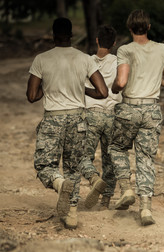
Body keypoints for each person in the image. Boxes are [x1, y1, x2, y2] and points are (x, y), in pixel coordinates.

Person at [27, 17, 108, 229]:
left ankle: (58, 183)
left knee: (44, 165)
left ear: (53, 35)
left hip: (54, 118)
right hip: (78, 119)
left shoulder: (41, 59)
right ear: (71, 35)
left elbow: (31, 95)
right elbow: (102, 92)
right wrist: (81, 89)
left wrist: (50, 86)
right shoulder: (84, 59)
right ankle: (72, 214)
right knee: (73, 166)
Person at [110, 9, 164, 226]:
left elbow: (121, 81)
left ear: (129, 28)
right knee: (146, 157)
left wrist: (114, 86)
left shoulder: (125, 50)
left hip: (130, 108)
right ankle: (145, 208)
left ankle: (126, 189)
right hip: (152, 110)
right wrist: (154, 80)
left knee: (117, 148)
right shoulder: (163, 49)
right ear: (148, 27)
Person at [80, 25, 122, 211]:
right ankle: (106, 200)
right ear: (114, 43)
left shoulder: (86, 61)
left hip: (91, 114)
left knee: (83, 156)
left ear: (97, 40)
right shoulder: (119, 61)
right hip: (112, 115)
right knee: (109, 159)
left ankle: (94, 179)